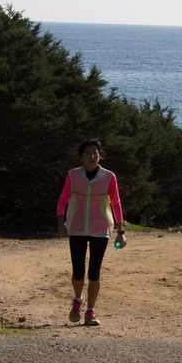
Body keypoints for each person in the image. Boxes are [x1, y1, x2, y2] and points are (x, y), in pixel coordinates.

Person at [57, 139, 126, 326]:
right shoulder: (73, 175)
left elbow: (116, 202)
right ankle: (78, 300)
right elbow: (63, 199)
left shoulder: (109, 176)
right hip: (76, 228)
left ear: (100, 155)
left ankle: (90, 311)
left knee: (94, 273)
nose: (91, 156)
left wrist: (121, 231)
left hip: (100, 229)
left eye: (95, 153)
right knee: (78, 272)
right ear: (81, 157)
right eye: (87, 153)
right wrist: (61, 224)